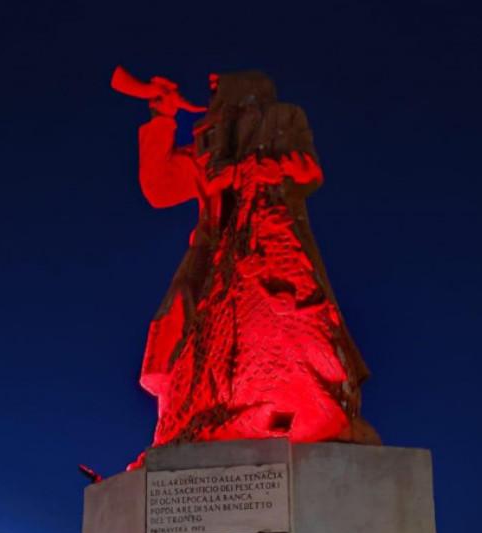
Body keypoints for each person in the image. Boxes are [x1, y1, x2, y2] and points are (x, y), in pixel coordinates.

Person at [127, 70, 380, 460]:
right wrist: (162, 118)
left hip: (270, 244)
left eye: (217, 89)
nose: (211, 97)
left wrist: (283, 170)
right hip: (209, 252)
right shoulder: (206, 144)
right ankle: (174, 432)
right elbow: (160, 189)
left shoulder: (283, 122)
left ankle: (309, 411)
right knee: (174, 329)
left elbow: (309, 173)